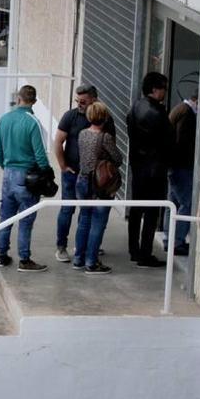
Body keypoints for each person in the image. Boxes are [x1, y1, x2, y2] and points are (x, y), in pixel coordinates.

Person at [53, 84, 113, 262]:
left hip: (93, 178)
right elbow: (58, 142)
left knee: (87, 213)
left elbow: (111, 145)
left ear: (93, 99)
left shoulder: (103, 118)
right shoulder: (70, 116)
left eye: (83, 101)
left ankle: (84, 246)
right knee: (67, 209)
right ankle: (61, 247)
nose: (79, 104)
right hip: (72, 173)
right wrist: (63, 166)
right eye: (77, 101)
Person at [0, 85, 50, 272]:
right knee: (26, 219)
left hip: (8, 174)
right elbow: (40, 155)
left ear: (18, 99)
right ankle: (24, 259)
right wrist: (47, 173)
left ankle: (2, 255)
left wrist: (4, 165)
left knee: (5, 216)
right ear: (34, 101)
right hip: (26, 176)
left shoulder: (4, 119)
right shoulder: (33, 122)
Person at [127, 72, 173, 268]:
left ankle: (134, 250)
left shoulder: (136, 107)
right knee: (152, 212)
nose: (165, 93)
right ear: (155, 89)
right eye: (164, 89)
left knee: (136, 210)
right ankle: (145, 254)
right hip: (155, 170)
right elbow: (168, 140)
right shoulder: (158, 113)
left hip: (138, 167)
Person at [73, 101, 123, 274]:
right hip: (99, 184)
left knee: (84, 220)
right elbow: (118, 159)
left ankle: (78, 258)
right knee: (98, 223)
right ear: (105, 117)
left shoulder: (82, 134)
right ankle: (92, 262)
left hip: (82, 181)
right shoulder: (106, 137)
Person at [163, 89, 198, 256]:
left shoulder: (179, 109)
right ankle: (176, 241)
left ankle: (168, 239)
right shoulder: (187, 114)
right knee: (186, 204)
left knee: (173, 204)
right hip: (181, 167)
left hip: (173, 166)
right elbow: (182, 142)